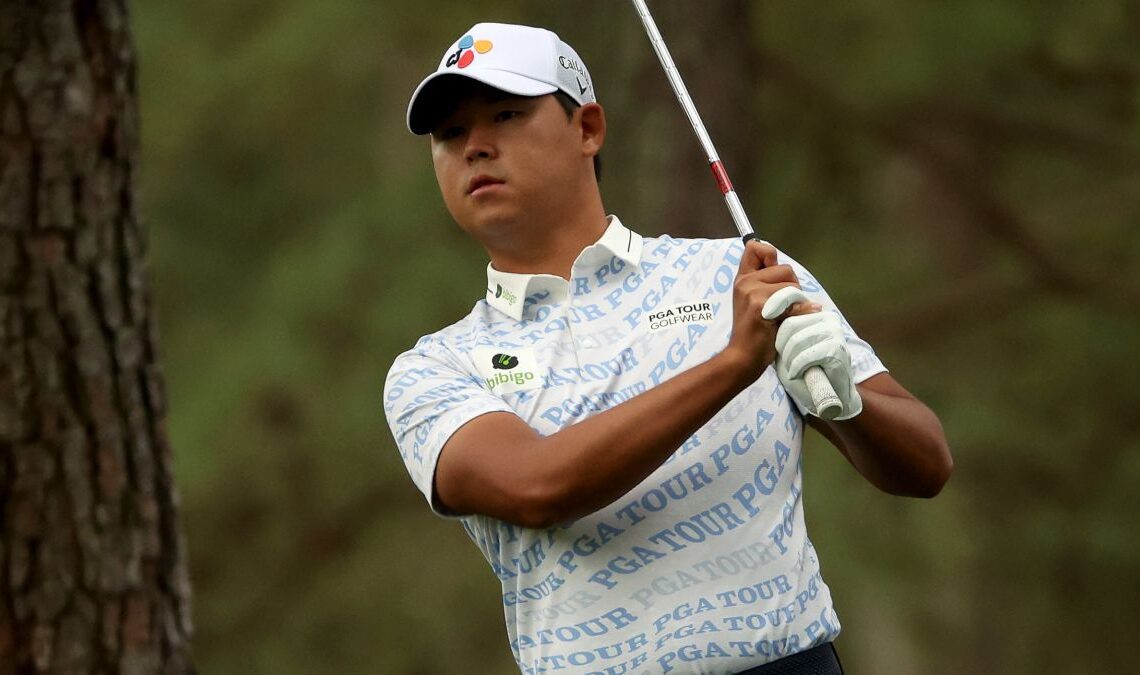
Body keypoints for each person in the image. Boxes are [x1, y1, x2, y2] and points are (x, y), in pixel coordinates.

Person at [384, 21, 952, 675]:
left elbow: (927, 463)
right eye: (450, 134)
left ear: (588, 129)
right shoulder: (435, 366)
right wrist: (733, 366)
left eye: (506, 115)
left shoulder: (735, 278)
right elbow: (537, 486)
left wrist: (848, 402)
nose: (476, 146)